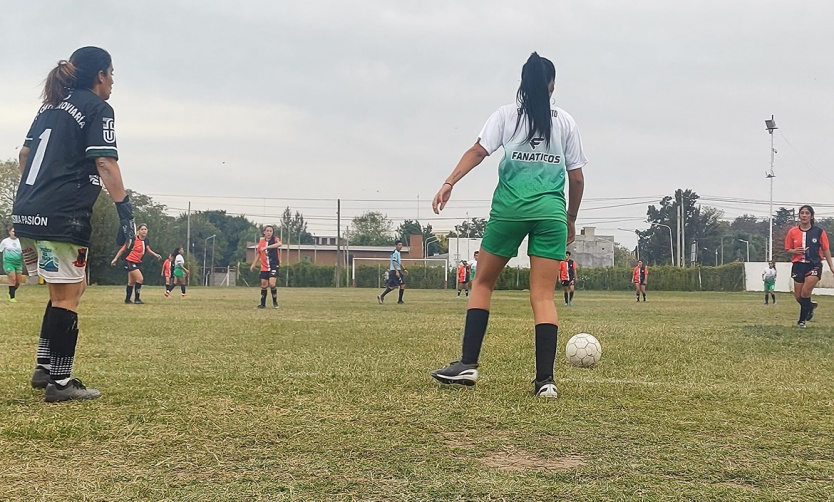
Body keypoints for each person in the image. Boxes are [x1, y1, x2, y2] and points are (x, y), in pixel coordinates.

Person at [429, 52, 587, 398]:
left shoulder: (505, 116)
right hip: (550, 214)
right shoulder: (566, 123)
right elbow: (576, 179)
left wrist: (449, 182)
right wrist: (570, 217)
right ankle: (545, 381)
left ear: (522, 83)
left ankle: (468, 363)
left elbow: (478, 151)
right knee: (543, 295)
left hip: (509, 211)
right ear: (552, 85)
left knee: (483, 282)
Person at [12, 47, 133, 402]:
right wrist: (125, 211)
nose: (113, 82)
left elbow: (24, 155)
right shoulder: (98, 108)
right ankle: (60, 383)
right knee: (69, 294)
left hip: (27, 210)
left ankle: (44, 367)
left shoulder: (50, 106)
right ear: (100, 75)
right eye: (111, 73)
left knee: (66, 289)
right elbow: (105, 163)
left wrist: (38, 194)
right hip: (61, 214)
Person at [785, 205, 834, 328]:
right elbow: (788, 249)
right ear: (799, 216)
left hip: (814, 265)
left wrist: (831, 266)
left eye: (807, 213)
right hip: (798, 265)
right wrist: (794, 251)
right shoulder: (792, 232)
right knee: (798, 296)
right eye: (802, 213)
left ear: (811, 216)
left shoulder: (819, 231)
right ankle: (810, 306)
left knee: (805, 293)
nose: (804, 215)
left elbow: (826, 249)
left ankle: (801, 321)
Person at [110, 223, 161, 304]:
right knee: (140, 279)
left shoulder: (146, 241)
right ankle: (137, 299)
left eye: (145, 229)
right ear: (138, 231)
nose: (144, 231)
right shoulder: (133, 240)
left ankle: (127, 299)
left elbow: (148, 249)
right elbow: (123, 249)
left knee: (131, 282)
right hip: (129, 261)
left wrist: (155, 254)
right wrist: (115, 259)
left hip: (137, 262)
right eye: (142, 229)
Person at [249, 225, 281, 309]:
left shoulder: (275, 239)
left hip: (274, 264)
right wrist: (253, 264)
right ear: (264, 232)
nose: (269, 232)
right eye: (267, 231)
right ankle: (262, 304)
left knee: (272, 283)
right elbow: (259, 253)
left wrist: (267, 247)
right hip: (264, 266)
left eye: (271, 231)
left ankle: (275, 301)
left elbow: (279, 244)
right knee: (264, 284)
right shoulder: (261, 242)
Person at [377, 240, 407, 304]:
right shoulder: (395, 253)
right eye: (399, 245)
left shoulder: (398, 253)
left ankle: (381, 296)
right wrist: (397, 271)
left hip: (395, 271)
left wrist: (404, 269)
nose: (400, 246)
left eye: (401, 245)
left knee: (392, 287)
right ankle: (400, 300)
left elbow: (400, 262)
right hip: (394, 271)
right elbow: (394, 262)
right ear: (396, 246)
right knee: (402, 285)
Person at [0, 226, 24, 302]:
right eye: (13, 231)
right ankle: (12, 297)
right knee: (12, 279)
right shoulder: (5, 241)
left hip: (18, 263)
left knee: (18, 282)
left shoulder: (21, 241)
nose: (14, 233)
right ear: (9, 232)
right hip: (8, 263)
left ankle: (10, 292)